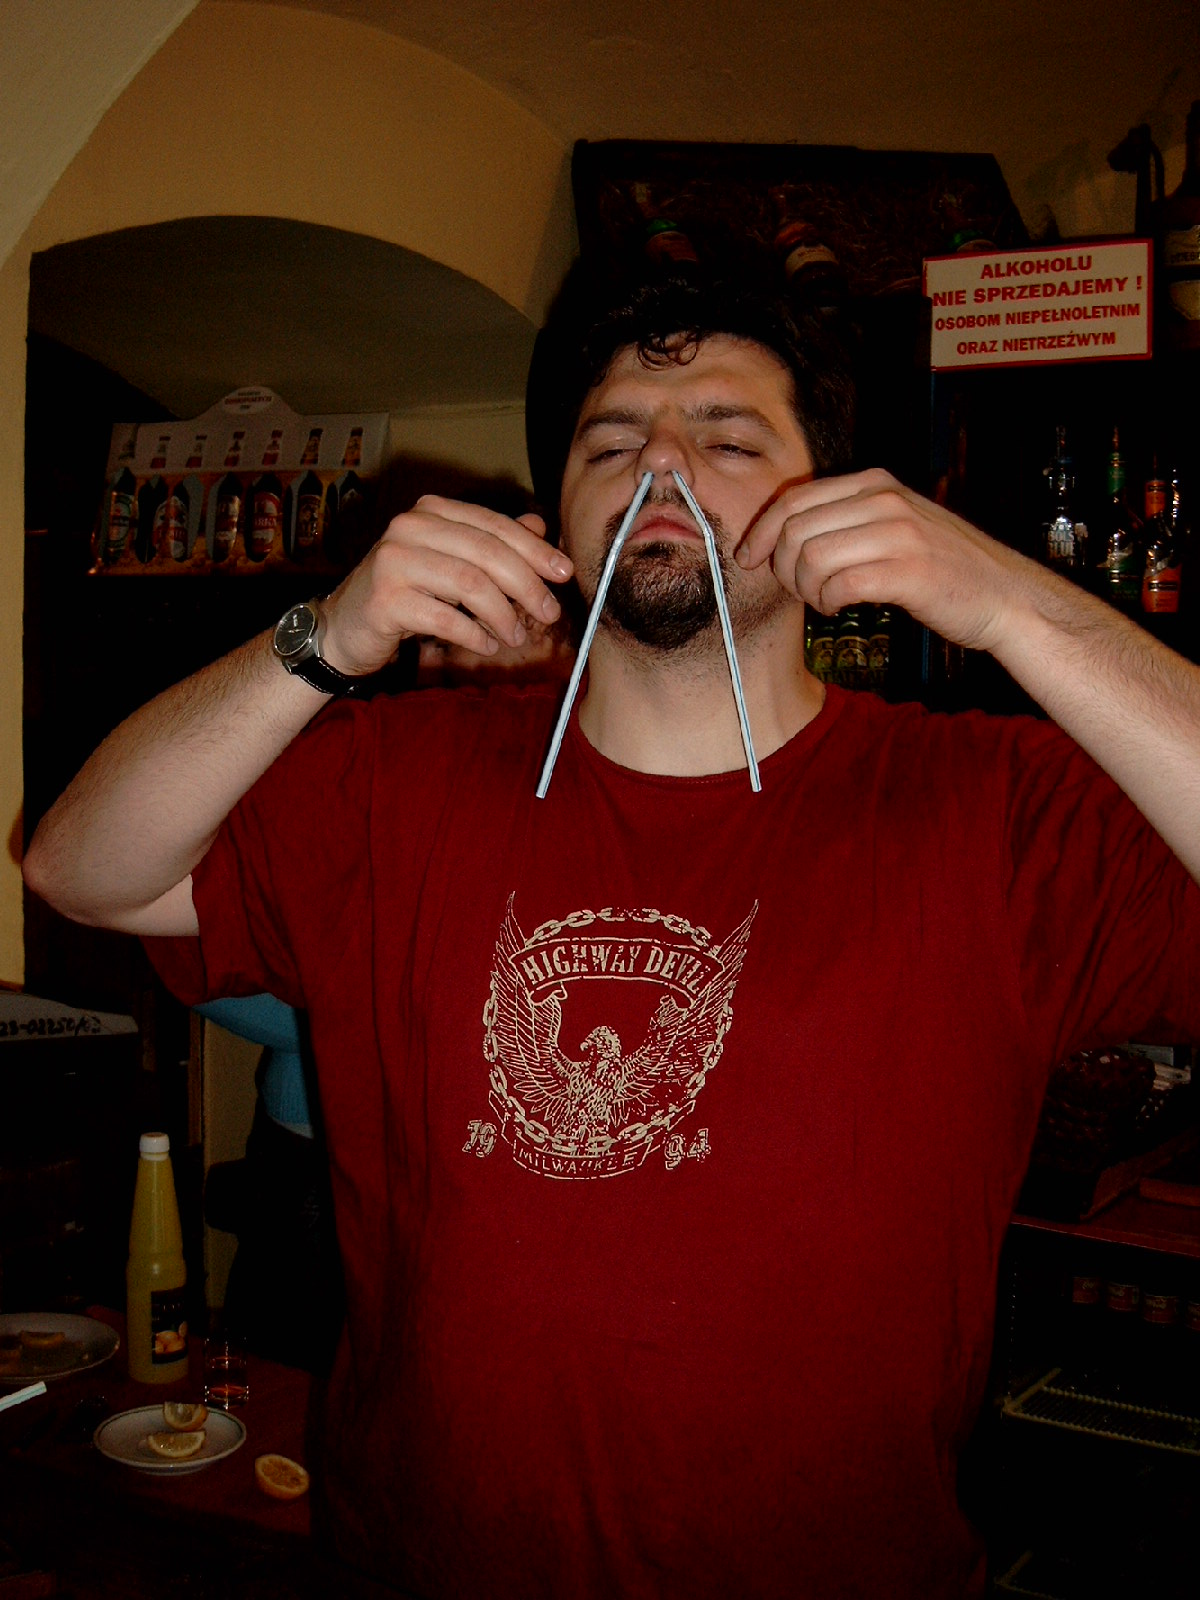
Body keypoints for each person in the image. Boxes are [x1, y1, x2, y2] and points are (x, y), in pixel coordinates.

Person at [22, 255, 1200, 1599]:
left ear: (838, 508)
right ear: (559, 522)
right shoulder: (393, 776)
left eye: (730, 437)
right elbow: (82, 871)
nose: (663, 464)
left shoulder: (999, 810)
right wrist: (324, 637)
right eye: (612, 441)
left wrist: (1010, 601)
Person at [193, 993, 344, 1374]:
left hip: (311, 1158)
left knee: (279, 1357)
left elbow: (336, 1017)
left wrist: (190, 977)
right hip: (290, 1147)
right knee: (262, 1347)